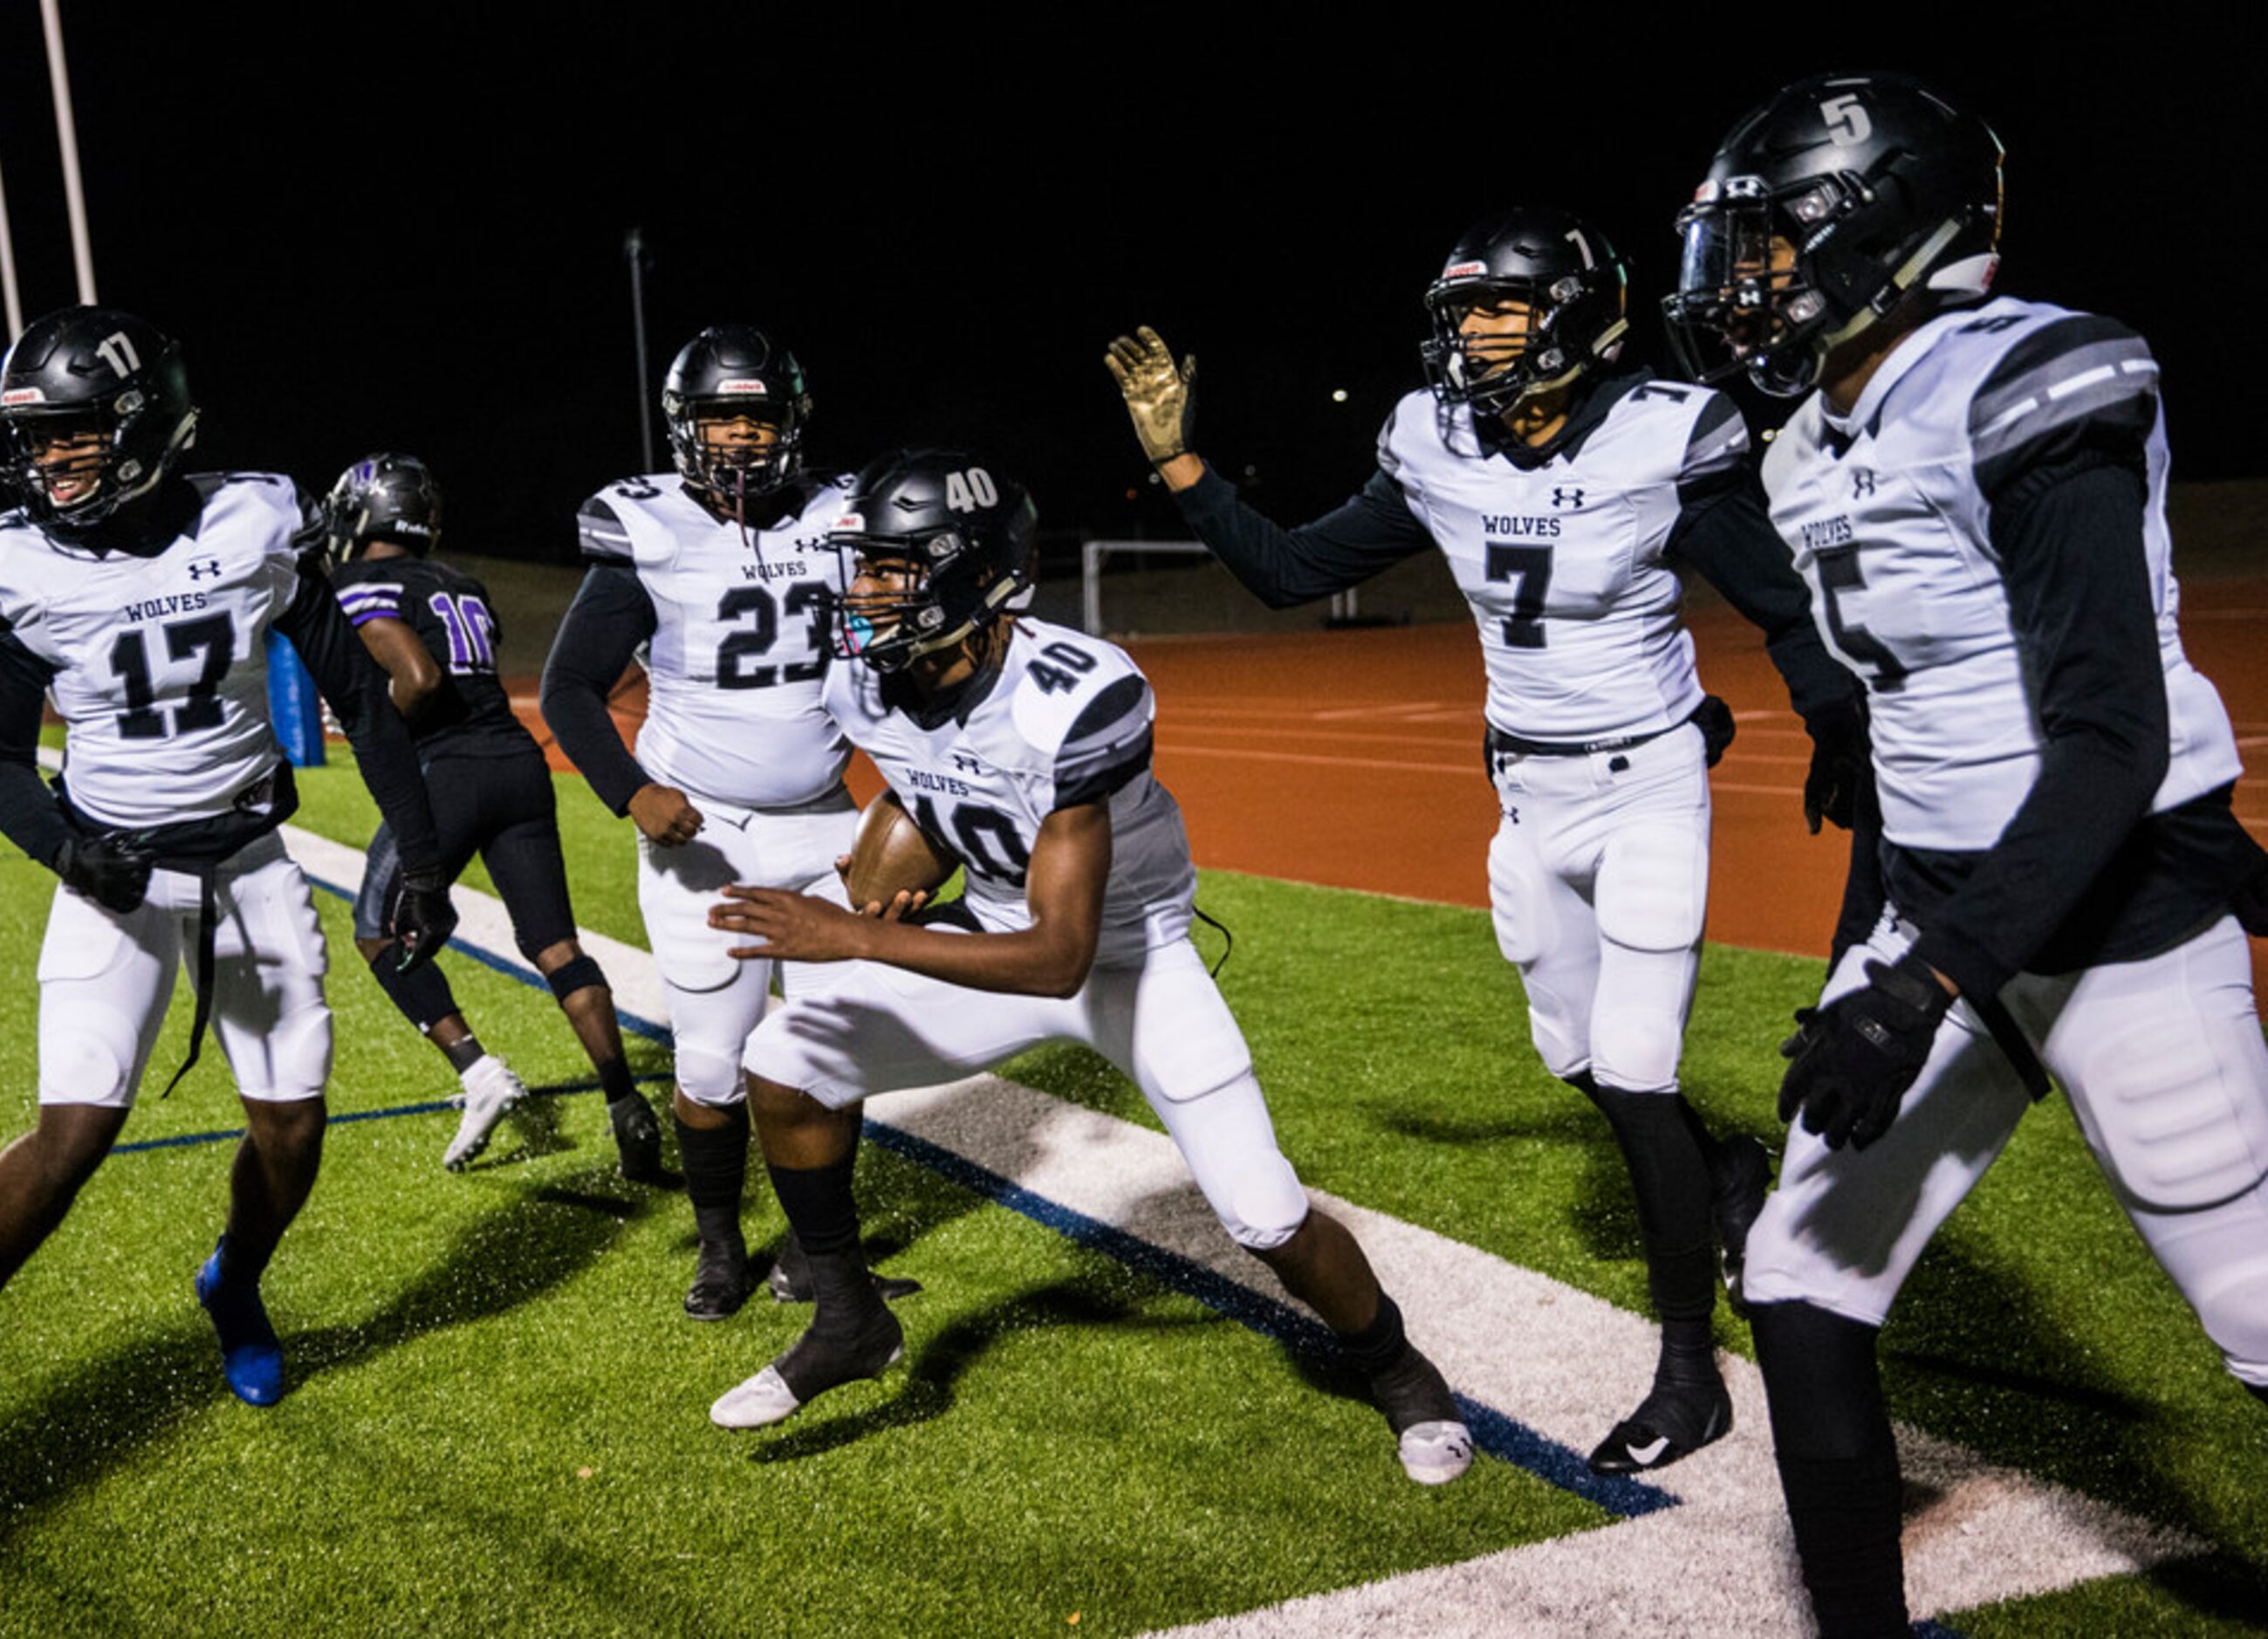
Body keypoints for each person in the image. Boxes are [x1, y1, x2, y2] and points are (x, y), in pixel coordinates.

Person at [1105, 207, 1867, 1477]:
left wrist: (1836, 717)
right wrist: (1182, 465)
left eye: (1499, 310)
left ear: (1576, 312)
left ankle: (1689, 1366)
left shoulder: (1655, 432)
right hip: (1527, 799)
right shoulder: (1435, 440)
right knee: (1574, 1057)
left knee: (1630, 1064)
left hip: (1647, 789)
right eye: (1461, 315)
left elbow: (1782, 601)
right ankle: (1725, 1165)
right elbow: (1294, 573)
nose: (1473, 337)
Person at [1667, 72, 2268, 1636]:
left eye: (1767, 244)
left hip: (2111, 925)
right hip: (1946, 921)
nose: (1743, 283)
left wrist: (1914, 984)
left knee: (2254, 1314)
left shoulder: (2024, 371)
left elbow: (2104, 739)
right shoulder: (1808, 438)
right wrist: (1885, 947)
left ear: (1880, 229)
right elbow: (1937, 719)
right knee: (1798, 1281)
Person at [701, 447, 1476, 1487]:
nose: (864, 590)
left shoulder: (1078, 693)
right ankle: (850, 1321)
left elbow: (1060, 956)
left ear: (970, 574)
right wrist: (905, 850)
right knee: (786, 1059)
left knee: (1264, 1214)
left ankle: (1400, 1370)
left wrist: (855, 935)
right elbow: (937, 791)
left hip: (1128, 959)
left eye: (890, 567)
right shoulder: (868, 679)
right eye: (865, 566)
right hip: (989, 927)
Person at [0, 305, 457, 1484]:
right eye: (33, 441)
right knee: (75, 1128)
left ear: (145, 423)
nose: (47, 462)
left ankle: (234, 1281)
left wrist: (418, 858)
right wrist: (66, 848)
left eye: (72, 437)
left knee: (292, 1126)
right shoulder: (15, 567)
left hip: (249, 861)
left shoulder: (253, 521)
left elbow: (358, 694)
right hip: (116, 869)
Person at [541, 324, 914, 1319]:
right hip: (705, 837)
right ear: (685, 426)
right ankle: (719, 1246)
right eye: (722, 417)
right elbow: (571, 686)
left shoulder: (847, 516)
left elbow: (903, 660)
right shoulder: (649, 526)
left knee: (832, 1050)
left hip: (827, 824)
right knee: (712, 1061)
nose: (743, 437)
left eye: (759, 416)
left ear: (792, 423)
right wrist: (630, 790)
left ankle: (816, 1254)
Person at [324, 452, 661, 1176]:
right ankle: (623, 1099)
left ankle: (477, 1071)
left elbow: (418, 676)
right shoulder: (457, 581)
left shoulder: (357, 582)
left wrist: (386, 728)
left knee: (376, 933)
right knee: (555, 945)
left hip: (449, 772)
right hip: (519, 766)